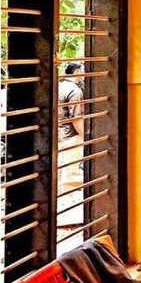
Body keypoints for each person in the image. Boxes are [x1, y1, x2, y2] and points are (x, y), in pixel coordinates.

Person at [57, 62, 85, 190]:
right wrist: (85, 136)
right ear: (78, 72)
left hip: (59, 134)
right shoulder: (75, 91)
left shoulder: (59, 86)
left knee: (60, 173)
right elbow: (76, 118)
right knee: (70, 175)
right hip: (71, 136)